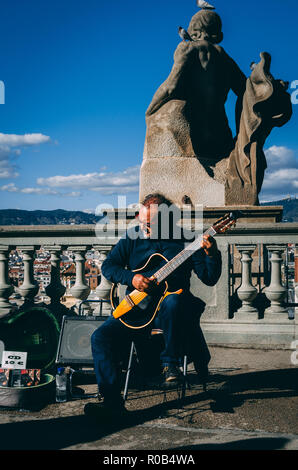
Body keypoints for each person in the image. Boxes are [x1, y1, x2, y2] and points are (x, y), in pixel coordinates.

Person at [86, 193, 222, 419]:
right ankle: (111, 402)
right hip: (137, 310)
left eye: (151, 223)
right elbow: (109, 266)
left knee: (173, 299)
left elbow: (209, 277)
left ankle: (170, 365)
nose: (145, 227)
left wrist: (211, 253)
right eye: (142, 221)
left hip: (173, 314)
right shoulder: (133, 237)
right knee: (100, 337)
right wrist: (132, 279)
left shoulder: (188, 240)